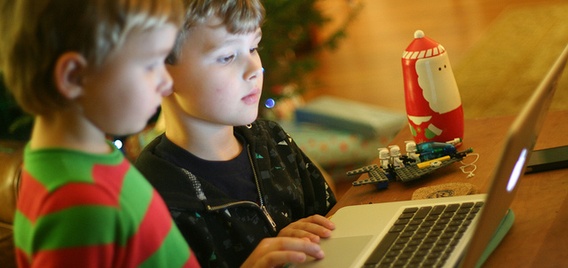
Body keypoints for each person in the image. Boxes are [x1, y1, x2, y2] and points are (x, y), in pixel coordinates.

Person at [1, 0, 329, 267]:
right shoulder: (78, 206)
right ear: (74, 76)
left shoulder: (86, 167)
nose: (164, 82)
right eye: (149, 64)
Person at [135, 0, 337, 266]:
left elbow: (334, 225)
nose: (255, 69)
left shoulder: (274, 142)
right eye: (227, 56)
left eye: (253, 47)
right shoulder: (153, 203)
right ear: (161, 73)